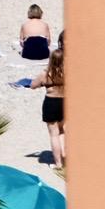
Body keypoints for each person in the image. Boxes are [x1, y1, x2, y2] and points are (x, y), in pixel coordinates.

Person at [30, 33, 66, 170]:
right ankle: (65, 155)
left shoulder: (46, 74)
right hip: (65, 102)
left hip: (51, 102)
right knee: (62, 130)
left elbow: (33, 85)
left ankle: (58, 163)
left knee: (53, 134)